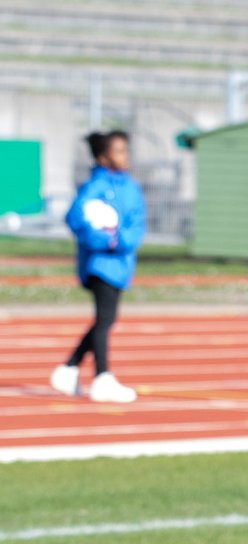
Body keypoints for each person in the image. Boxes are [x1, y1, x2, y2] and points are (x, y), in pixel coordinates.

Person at [50, 129, 146, 404]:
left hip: (121, 264)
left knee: (105, 320)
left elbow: (136, 225)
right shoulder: (95, 187)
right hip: (99, 264)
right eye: (118, 151)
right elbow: (76, 218)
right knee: (105, 320)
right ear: (104, 157)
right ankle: (102, 377)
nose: (124, 156)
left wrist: (121, 240)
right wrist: (104, 239)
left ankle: (69, 368)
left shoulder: (130, 187)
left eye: (126, 150)